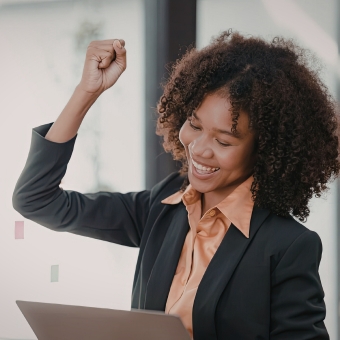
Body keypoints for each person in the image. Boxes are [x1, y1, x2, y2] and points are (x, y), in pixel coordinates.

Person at [12, 30, 339, 339]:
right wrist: (87, 91)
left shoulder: (287, 246)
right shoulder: (163, 206)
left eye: (223, 141)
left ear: (265, 152)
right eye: (194, 125)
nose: (198, 148)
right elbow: (37, 199)